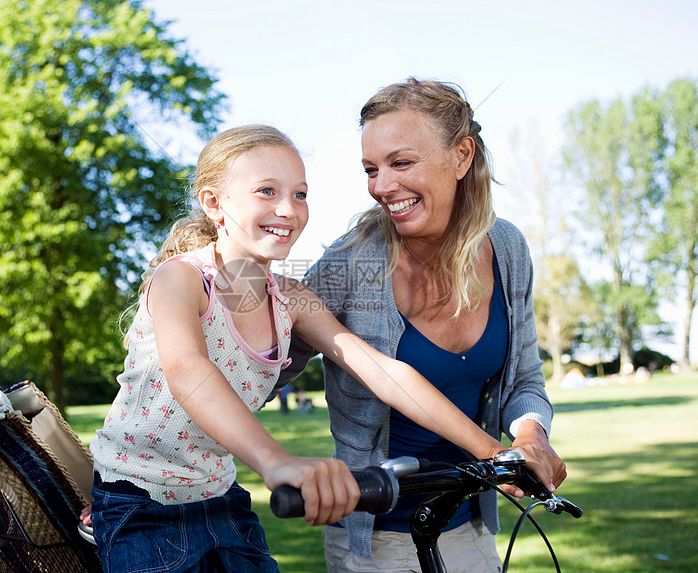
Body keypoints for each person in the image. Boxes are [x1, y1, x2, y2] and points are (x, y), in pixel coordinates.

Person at [86, 124, 529, 573]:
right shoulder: (182, 279)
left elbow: (383, 372)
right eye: (266, 191)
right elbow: (189, 373)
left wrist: (493, 451)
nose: (288, 209)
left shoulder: (292, 300)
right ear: (214, 204)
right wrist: (277, 462)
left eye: (300, 194)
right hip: (137, 501)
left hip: (219, 496)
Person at [280, 78, 568, 573]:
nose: (381, 186)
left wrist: (530, 436)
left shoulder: (507, 250)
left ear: (461, 156)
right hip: (375, 534)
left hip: (468, 521)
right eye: (371, 169)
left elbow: (523, 379)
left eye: (401, 162)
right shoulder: (351, 264)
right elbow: (268, 370)